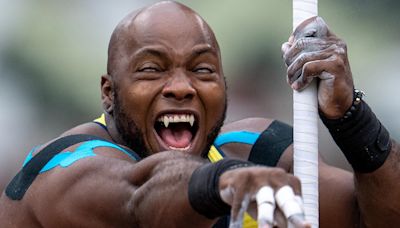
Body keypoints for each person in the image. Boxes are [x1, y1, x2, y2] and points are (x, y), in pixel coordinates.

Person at [1, 1, 399, 227]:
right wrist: (222, 183)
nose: (181, 86)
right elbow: (140, 198)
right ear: (109, 92)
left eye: (202, 70)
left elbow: (379, 219)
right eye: (152, 69)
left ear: (223, 88)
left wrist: (352, 119)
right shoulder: (66, 167)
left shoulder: (253, 151)